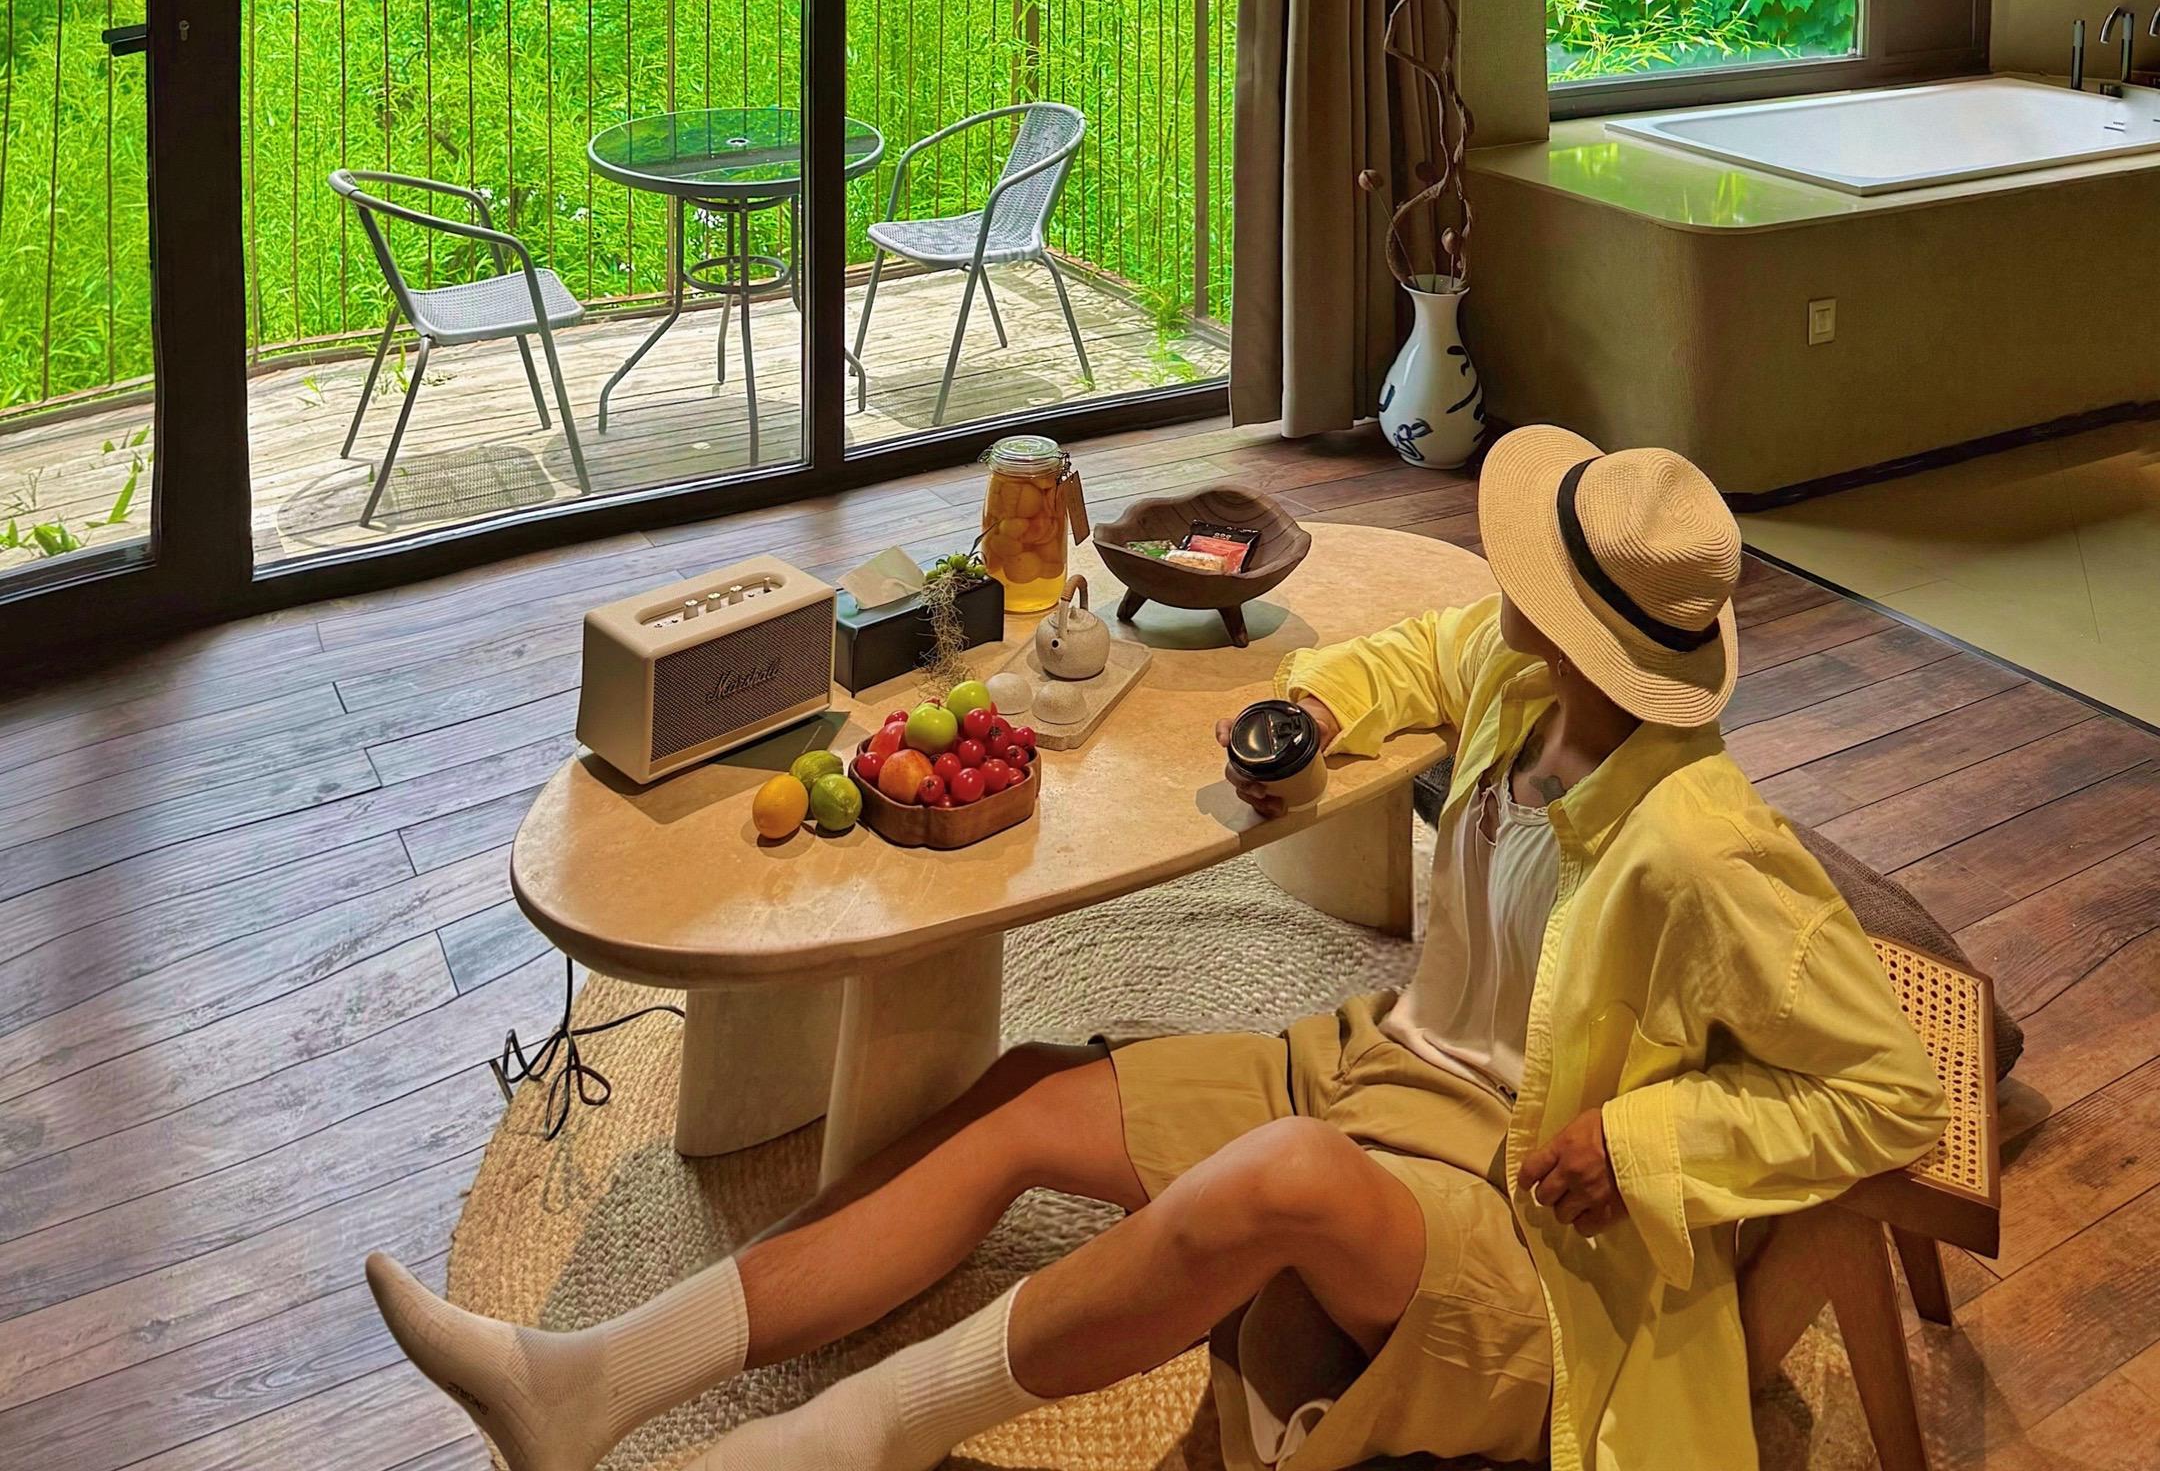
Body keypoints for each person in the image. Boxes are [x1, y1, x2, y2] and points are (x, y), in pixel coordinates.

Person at [365, 424, 1949, 1471]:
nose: (1505, 588)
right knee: (1025, 1095)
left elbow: (1889, 1095)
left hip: (1530, 1229)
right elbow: (1410, 655)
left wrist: (1644, 1140)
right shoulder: (1524, 678)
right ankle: (587, 1384)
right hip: (1377, 1077)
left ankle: (847, 1442)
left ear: (1590, 625)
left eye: (1532, 577)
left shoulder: (1705, 844)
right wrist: (1310, 718)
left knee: (1283, 1183)